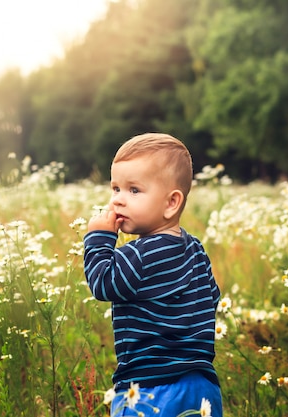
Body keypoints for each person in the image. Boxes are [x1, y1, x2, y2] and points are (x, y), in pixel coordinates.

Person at [83, 133, 223, 416]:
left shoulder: (137, 255)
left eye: (134, 190)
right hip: (202, 388)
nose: (118, 201)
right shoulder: (195, 248)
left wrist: (98, 238)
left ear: (171, 203)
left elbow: (102, 284)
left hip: (148, 389)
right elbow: (211, 297)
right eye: (115, 189)